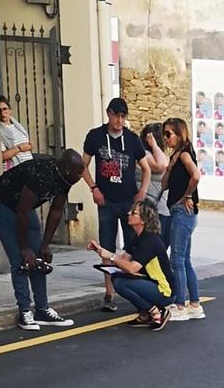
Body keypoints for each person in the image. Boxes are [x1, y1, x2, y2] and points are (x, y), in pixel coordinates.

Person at [0, 150, 85, 330]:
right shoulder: (42, 173)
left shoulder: (66, 178)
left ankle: (42, 309)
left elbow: (55, 211)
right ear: (68, 169)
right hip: (0, 203)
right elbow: (22, 210)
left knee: (38, 255)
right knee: (20, 258)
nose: (81, 177)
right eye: (79, 172)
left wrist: (45, 245)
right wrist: (24, 248)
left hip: (22, 206)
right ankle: (24, 311)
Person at [82, 98, 151, 312]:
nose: (119, 121)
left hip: (128, 200)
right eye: (116, 116)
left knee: (133, 246)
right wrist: (93, 188)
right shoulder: (96, 136)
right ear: (108, 114)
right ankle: (109, 293)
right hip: (106, 200)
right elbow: (82, 165)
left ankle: (135, 289)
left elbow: (146, 168)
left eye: (123, 117)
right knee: (107, 245)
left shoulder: (131, 140)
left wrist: (142, 192)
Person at [88, 200, 174, 331]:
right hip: (150, 282)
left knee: (121, 283)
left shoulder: (150, 240)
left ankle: (156, 311)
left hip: (164, 291)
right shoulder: (138, 237)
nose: (129, 213)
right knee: (117, 277)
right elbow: (123, 260)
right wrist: (100, 251)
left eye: (134, 212)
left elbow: (132, 267)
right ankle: (146, 313)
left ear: (144, 219)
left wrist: (110, 256)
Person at [161, 117, 204, 321]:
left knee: (176, 259)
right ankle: (194, 303)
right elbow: (164, 184)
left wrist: (187, 196)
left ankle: (180, 304)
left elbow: (196, 175)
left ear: (180, 134)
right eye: (165, 134)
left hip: (182, 211)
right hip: (181, 211)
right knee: (184, 260)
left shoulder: (185, 154)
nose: (166, 138)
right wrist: (170, 165)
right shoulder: (178, 156)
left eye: (169, 134)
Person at [137, 123, 170, 248]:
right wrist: (154, 145)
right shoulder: (144, 154)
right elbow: (161, 166)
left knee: (162, 245)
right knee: (153, 247)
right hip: (152, 208)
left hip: (163, 208)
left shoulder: (159, 154)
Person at [0, 96, 33, 171]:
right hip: (15, 170)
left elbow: (27, 146)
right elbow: (2, 156)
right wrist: (20, 148)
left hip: (29, 168)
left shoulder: (18, 127)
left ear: (10, 110)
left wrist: (30, 146)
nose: (2, 113)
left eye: (5, 109)